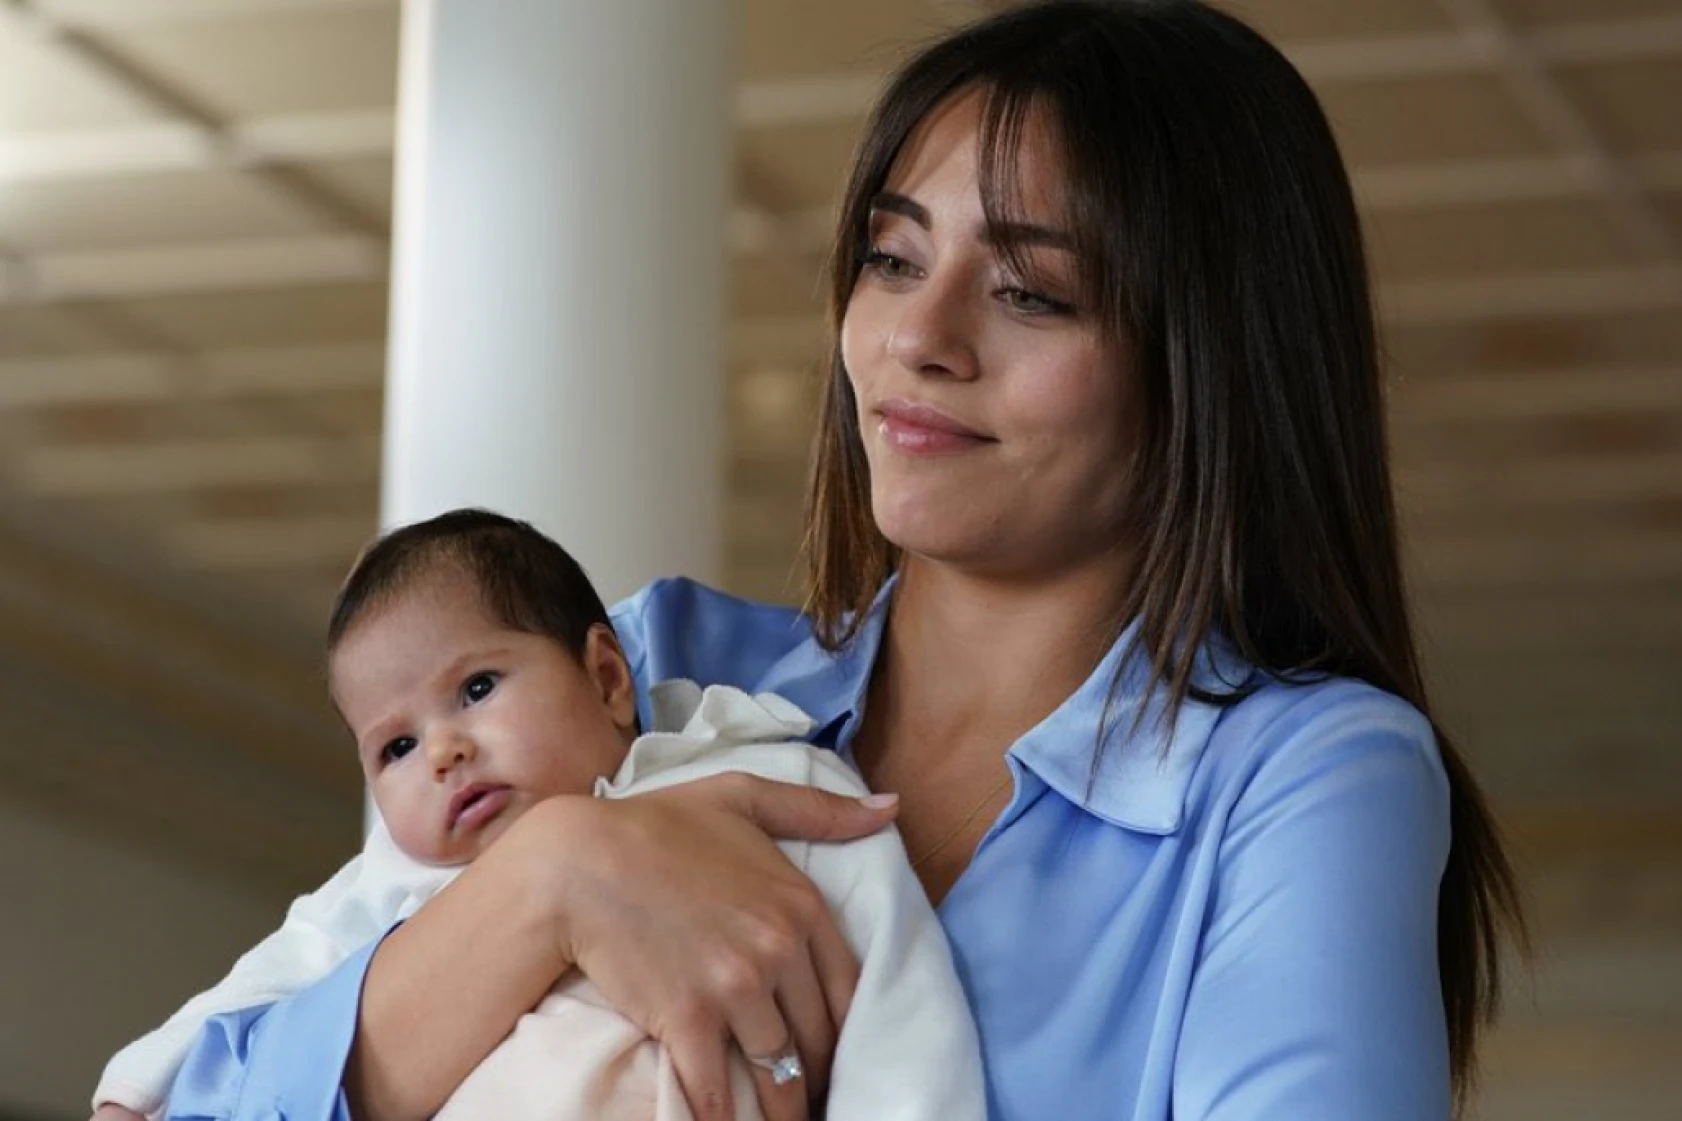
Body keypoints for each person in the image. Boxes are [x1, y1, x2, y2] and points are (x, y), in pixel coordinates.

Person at [140, 2, 1527, 1119]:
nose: (918, 338)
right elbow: (208, 1088)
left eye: (1030, 291)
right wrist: (555, 866)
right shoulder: (655, 665)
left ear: (1211, 366)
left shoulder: (1300, 773)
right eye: (889, 258)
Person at [91, 510, 980, 1121]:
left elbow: (902, 1018)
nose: (441, 751)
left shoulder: (769, 780)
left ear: (605, 676)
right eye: (395, 747)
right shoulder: (396, 881)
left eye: (476, 688)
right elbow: (269, 978)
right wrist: (136, 1080)